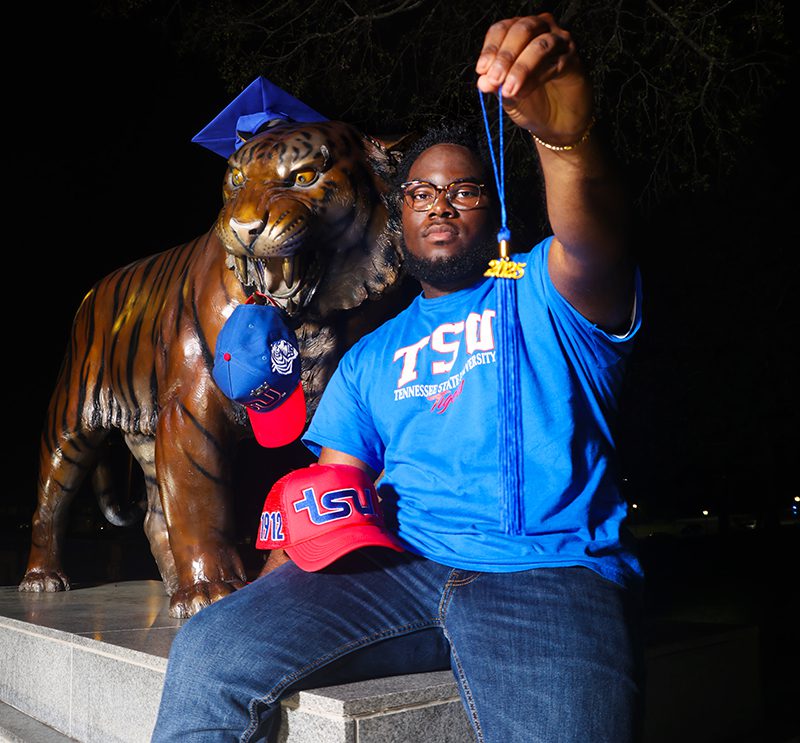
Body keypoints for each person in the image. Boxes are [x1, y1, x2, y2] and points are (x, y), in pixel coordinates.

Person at [152, 13, 644, 743]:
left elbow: (591, 238)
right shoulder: (370, 356)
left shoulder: (546, 288)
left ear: (495, 205)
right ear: (399, 215)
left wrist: (563, 141)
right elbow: (333, 484)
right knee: (209, 646)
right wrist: (273, 588)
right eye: (419, 193)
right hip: (399, 569)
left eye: (462, 190)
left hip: (545, 573)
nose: (439, 204)